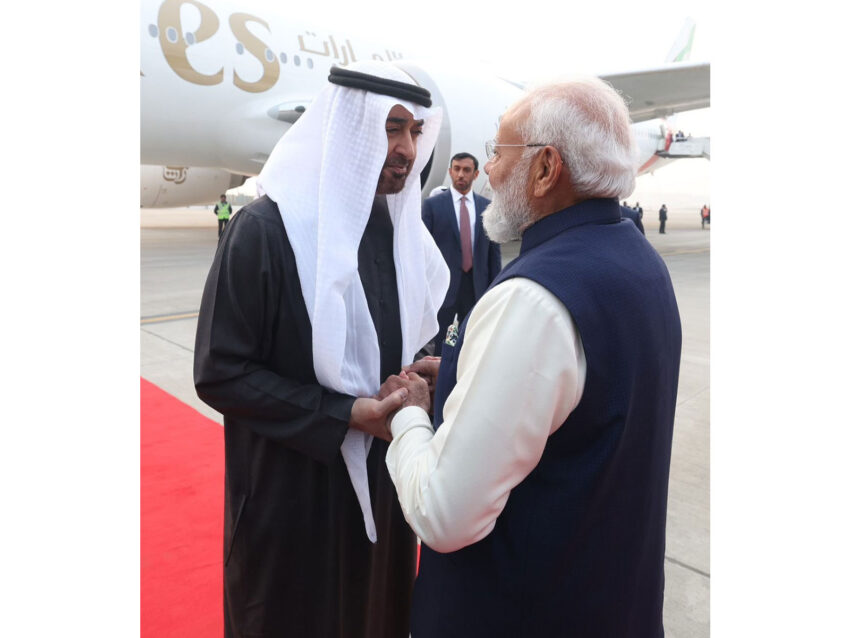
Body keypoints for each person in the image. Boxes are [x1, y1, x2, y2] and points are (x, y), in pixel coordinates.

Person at [380, 76, 682, 637]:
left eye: (499, 152)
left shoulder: (532, 298)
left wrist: (411, 414)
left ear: (545, 169)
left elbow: (444, 514)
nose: (489, 172)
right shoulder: (641, 262)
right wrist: (469, 376)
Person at [193, 61, 449, 638]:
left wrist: (425, 377)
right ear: (348, 129)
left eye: (414, 131)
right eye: (391, 128)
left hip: (384, 490)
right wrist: (346, 414)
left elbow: (414, 335)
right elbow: (220, 371)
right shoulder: (266, 230)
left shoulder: (403, 236)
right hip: (292, 499)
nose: (407, 149)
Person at [421, 152, 502, 354]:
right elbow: (423, 252)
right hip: (444, 288)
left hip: (475, 287)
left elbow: (493, 253)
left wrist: (494, 288)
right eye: (456, 169)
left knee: (472, 340)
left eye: (466, 170)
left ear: (476, 174)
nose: (460, 174)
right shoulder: (432, 206)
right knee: (442, 343)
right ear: (450, 172)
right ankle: (442, 370)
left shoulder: (486, 208)